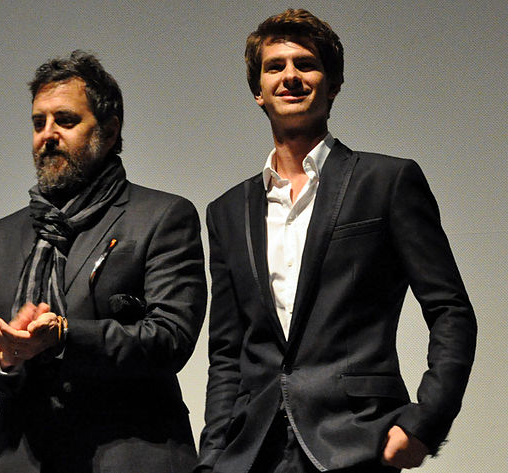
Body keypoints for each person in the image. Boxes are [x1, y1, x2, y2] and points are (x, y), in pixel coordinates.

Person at [196, 9, 476, 473]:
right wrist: (211, 459)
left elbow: (451, 312)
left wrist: (425, 423)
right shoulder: (226, 211)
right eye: (274, 66)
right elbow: (227, 353)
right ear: (257, 92)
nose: (290, 76)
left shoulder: (387, 181)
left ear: (333, 84)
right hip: (251, 453)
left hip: (357, 441)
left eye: (305, 64)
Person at [0, 50, 207, 473]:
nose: (47, 135)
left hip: (130, 456)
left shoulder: (161, 216)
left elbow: (170, 338)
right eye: (38, 123)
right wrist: (6, 357)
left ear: (109, 128)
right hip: (24, 459)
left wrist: (64, 337)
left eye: (65, 121)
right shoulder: (1, 236)